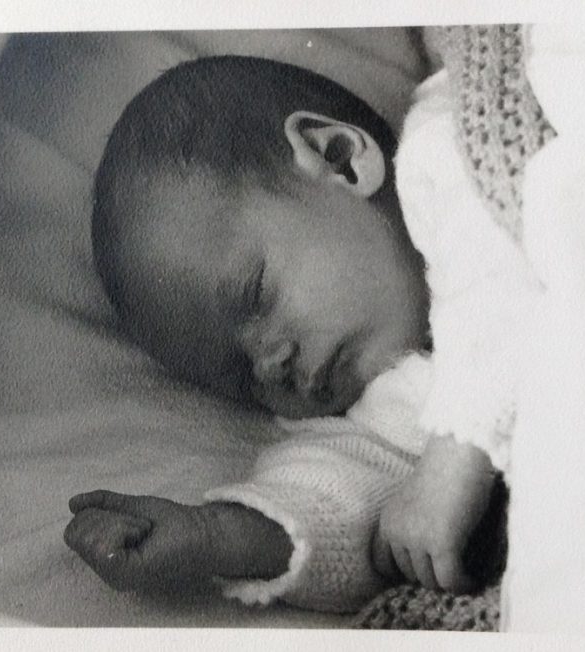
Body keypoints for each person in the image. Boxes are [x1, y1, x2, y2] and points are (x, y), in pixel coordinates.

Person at [64, 54, 521, 613]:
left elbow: (511, 266)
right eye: (240, 377)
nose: (269, 363)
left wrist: (453, 462)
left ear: (340, 159)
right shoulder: (377, 413)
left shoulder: (447, 157)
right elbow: (340, 504)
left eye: (256, 293)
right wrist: (216, 537)